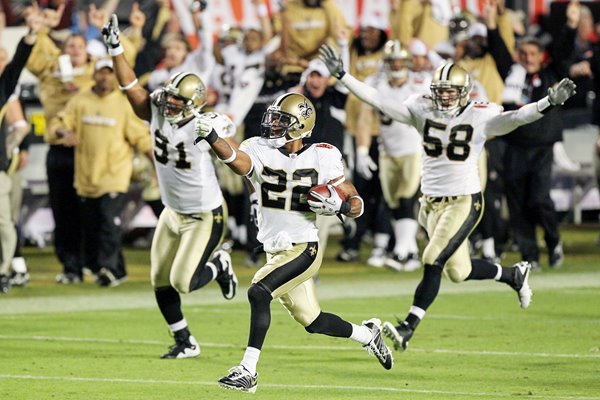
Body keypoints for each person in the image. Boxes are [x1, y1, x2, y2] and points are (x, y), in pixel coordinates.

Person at [318, 44, 576, 352]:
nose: (445, 97)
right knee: (459, 271)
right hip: (431, 203)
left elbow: (517, 117)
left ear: (465, 92)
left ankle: (407, 327)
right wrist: (343, 75)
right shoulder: (421, 108)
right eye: (441, 91)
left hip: (464, 200)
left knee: (431, 258)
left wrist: (548, 102)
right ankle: (513, 275)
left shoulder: (480, 114)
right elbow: (379, 101)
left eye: (451, 92)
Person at [194, 92, 393, 392]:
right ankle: (368, 334)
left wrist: (340, 207)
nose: (272, 124)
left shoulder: (323, 155)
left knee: (259, 293)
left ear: (300, 126)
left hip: (304, 248)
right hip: (276, 250)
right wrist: (211, 137)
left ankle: (248, 371)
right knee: (313, 321)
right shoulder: (258, 148)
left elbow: (355, 202)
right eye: (273, 117)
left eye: (281, 120)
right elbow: (238, 161)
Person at [103, 15, 238, 357]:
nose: (168, 102)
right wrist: (116, 49)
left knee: (183, 281)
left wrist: (218, 129)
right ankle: (185, 342)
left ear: (192, 103)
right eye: (169, 97)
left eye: (177, 99)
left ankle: (220, 264)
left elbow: (229, 132)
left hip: (205, 213)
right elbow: (130, 88)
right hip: (173, 210)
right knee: (159, 279)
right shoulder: (158, 111)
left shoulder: (204, 124)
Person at [48, 59, 152, 287]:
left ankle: (107, 269)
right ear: (93, 75)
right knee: (93, 227)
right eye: (101, 73)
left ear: (115, 76)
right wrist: (63, 132)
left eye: (109, 73)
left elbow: (142, 138)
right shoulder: (80, 100)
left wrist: (156, 163)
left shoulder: (124, 105)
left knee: (109, 225)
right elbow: (59, 122)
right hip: (86, 177)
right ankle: (115, 269)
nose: (105, 77)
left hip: (114, 175)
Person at [355, 39, 431, 271]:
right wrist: (361, 150)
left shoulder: (421, 83)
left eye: (400, 61)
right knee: (395, 201)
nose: (397, 65)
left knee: (408, 197)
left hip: (415, 148)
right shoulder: (375, 82)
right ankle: (409, 252)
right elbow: (365, 118)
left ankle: (401, 250)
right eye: (392, 61)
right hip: (387, 150)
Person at [0, 7, 42, 294]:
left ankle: (3, 271)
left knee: (4, 223)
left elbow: (15, 67)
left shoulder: (2, 89)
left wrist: (31, 36)